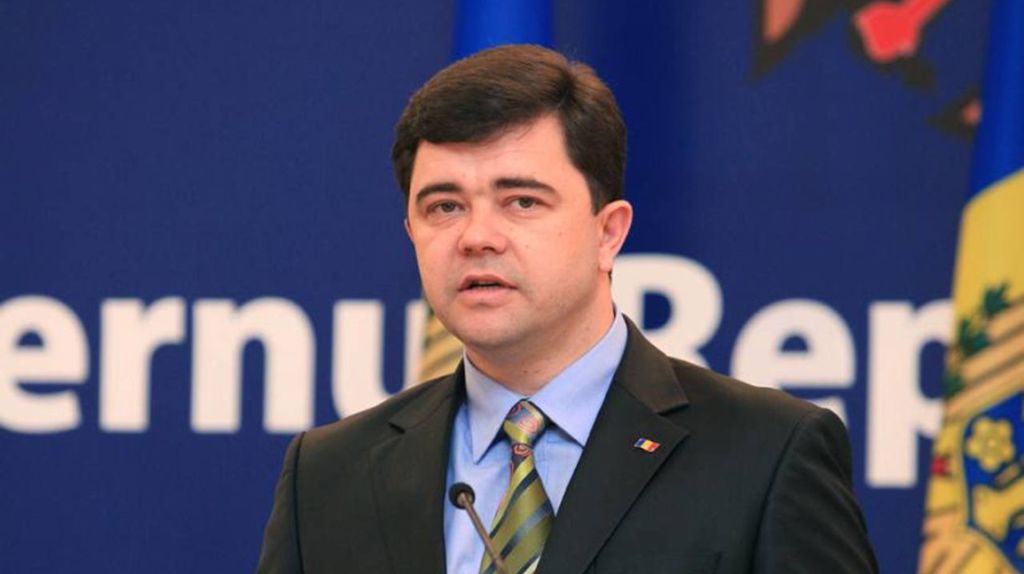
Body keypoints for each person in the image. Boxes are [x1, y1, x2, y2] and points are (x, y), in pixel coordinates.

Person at [257, 44, 878, 574]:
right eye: (444, 206)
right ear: (411, 232)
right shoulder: (328, 475)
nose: (477, 236)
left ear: (609, 232)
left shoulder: (766, 455)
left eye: (522, 202)